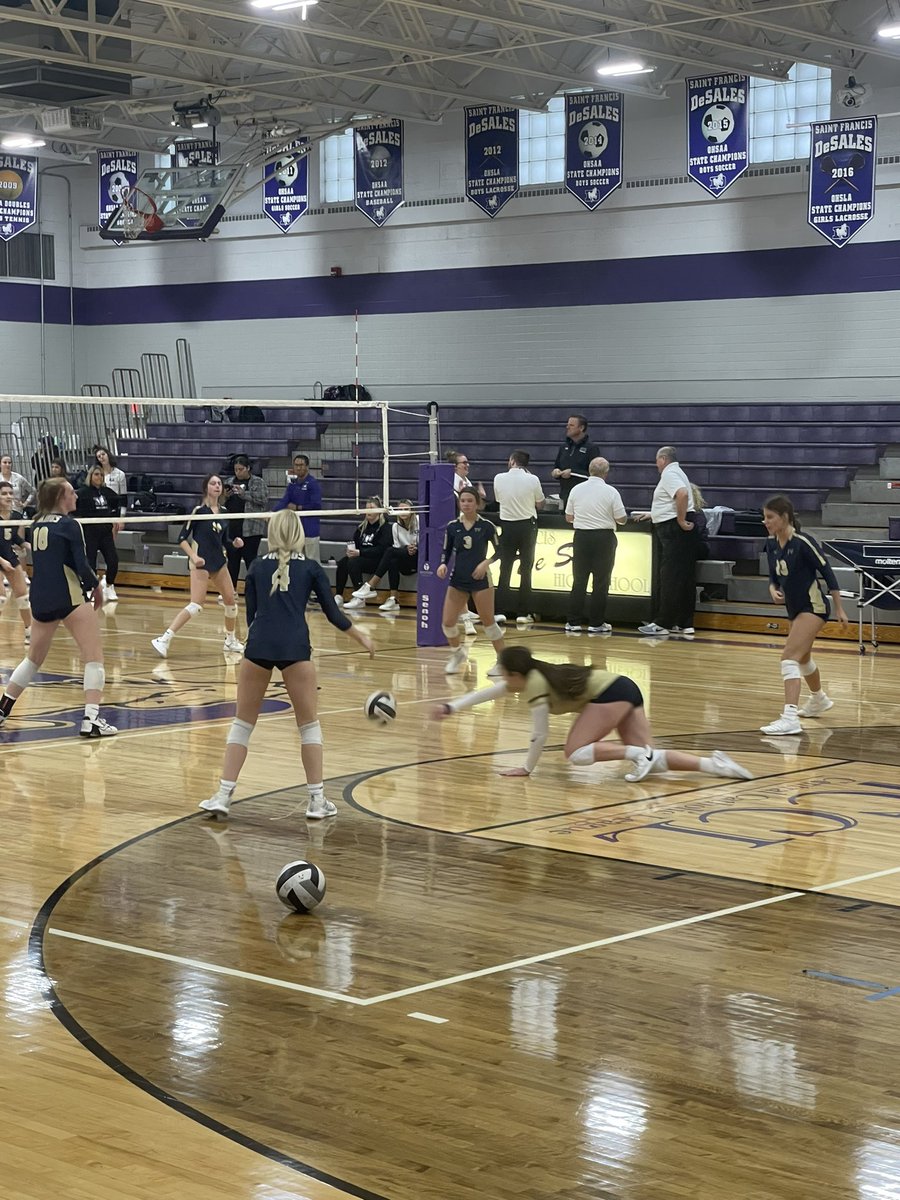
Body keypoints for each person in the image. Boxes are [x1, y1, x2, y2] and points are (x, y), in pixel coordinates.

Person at [199, 510, 375, 820]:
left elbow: (251, 615)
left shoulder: (255, 566)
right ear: (298, 534)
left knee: (242, 725)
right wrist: (361, 637)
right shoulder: (310, 567)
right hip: (295, 647)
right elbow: (333, 614)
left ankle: (223, 795)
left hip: (259, 646)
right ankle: (317, 801)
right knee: (308, 726)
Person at [432, 645, 752, 782]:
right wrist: (451, 707)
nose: (501, 679)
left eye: (504, 673)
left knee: (575, 753)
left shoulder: (535, 685)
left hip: (610, 693)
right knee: (652, 760)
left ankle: (639, 754)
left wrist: (527, 768)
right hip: (624, 688)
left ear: (516, 674)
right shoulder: (526, 677)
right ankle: (715, 765)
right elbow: (486, 693)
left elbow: (539, 735)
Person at [0, 478, 116, 738]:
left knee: (33, 659)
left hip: (40, 597)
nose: (76, 495)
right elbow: (80, 564)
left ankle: (3, 708)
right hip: (69, 595)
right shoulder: (69, 525)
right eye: (71, 492)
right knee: (94, 657)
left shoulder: (37, 523)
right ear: (60, 498)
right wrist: (96, 587)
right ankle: (91, 719)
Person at [760, 494, 849, 735]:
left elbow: (827, 572)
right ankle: (819, 699)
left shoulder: (802, 542)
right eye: (764, 517)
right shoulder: (770, 544)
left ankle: (790, 717)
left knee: (788, 657)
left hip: (814, 607)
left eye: (770, 517)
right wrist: (772, 589)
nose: (765, 522)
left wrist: (840, 608)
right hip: (795, 608)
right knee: (803, 658)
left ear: (784, 517)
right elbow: (773, 577)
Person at [151, 474, 245, 658]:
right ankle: (164, 639)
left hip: (218, 561)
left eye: (219, 483)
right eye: (213, 483)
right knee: (196, 605)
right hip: (200, 561)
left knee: (231, 603)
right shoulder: (198, 511)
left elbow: (224, 540)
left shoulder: (225, 512)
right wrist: (194, 556)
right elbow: (182, 538)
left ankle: (230, 640)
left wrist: (234, 543)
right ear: (206, 488)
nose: (217, 486)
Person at [437, 485, 506, 675]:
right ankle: (457, 653)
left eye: (470, 501)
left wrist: (486, 563)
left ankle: (502, 661)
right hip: (458, 578)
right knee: (447, 623)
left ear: (477, 504)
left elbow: (501, 550)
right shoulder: (453, 527)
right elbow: (446, 550)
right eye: (463, 501)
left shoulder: (486, 526)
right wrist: (442, 564)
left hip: (481, 580)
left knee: (488, 622)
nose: (466, 504)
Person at [635, 446, 698, 637]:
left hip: (673, 529)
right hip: (679, 528)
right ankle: (684, 622)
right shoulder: (679, 472)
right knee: (684, 577)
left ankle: (663, 623)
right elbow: (672, 501)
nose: (656, 465)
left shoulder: (670, 474)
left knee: (669, 576)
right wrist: (653, 514)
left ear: (663, 459)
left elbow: (682, 494)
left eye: (656, 461)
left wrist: (679, 519)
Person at [564, 456, 627, 634]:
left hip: (582, 537)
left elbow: (569, 517)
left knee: (579, 580)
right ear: (606, 473)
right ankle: (596, 623)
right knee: (601, 582)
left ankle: (573, 621)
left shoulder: (576, 489)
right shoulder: (611, 492)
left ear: (589, 470)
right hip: (604, 538)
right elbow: (621, 519)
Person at [493, 450, 545, 625]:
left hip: (507, 526)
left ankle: (499, 611)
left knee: (504, 569)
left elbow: (499, 500)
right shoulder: (533, 479)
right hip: (527, 527)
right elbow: (540, 504)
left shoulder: (499, 478)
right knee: (526, 569)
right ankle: (523, 613)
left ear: (512, 461)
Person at [350, 498, 419, 612]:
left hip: (418, 558)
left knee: (389, 551)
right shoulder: (395, 527)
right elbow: (397, 549)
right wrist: (406, 549)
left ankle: (370, 586)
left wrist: (414, 548)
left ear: (412, 511)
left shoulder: (419, 521)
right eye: (400, 509)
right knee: (392, 559)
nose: (403, 512)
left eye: (406, 509)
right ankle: (393, 600)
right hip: (405, 558)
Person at [76, 465, 125, 602]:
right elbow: (73, 509)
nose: (99, 477)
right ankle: (91, 588)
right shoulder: (82, 493)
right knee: (90, 562)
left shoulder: (107, 492)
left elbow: (118, 504)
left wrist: (116, 522)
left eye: (101, 475)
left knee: (113, 560)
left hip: (105, 533)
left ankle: (109, 585)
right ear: (91, 476)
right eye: (96, 474)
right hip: (90, 533)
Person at [335, 497, 393, 606]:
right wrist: (350, 551)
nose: (368, 511)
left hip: (377, 561)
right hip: (362, 558)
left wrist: (360, 553)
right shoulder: (361, 528)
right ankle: (339, 595)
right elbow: (355, 544)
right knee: (343, 562)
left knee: (353, 562)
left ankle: (360, 599)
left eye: (371, 508)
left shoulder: (385, 527)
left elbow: (382, 550)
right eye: (366, 508)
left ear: (379, 511)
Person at [224, 455, 269, 586]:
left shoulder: (258, 482)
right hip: (232, 528)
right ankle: (231, 590)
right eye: (236, 469)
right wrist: (225, 496)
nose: (238, 472)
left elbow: (263, 499)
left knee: (251, 561)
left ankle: (253, 589)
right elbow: (220, 503)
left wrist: (244, 494)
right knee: (232, 560)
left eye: (241, 469)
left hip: (251, 528)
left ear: (248, 468)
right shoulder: (229, 481)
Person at [274, 453, 322, 562]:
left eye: (301, 465)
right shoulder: (293, 485)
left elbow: (316, 505)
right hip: (295, 530)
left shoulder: (313, 483)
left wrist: (298, 507)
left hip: (310, 530)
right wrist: (272, 513)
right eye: (296, 465)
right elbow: (284, 501)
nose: (298, 467)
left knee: (312, 561)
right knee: (296, 562)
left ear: (307, 467)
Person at [0, 481, 32, 644]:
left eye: (10, 493)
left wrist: (25, 544)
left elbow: (12, 537)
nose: (8, 496)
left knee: (23, 596)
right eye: (4, 493)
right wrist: (2, 561)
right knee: (1, 598)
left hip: (8, 556)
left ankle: (29, 631)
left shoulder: (16, 516)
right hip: (0, 558)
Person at [551, 415, 600, 504]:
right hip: (565, 496)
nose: (567, 427)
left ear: (581, 428)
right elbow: (556, 466)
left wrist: (572, 473)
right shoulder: (563, 447)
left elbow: (595, 475)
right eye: (567, 424)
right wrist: (556, 472)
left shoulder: (591, 448)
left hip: (584, 497)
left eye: (571, 425)